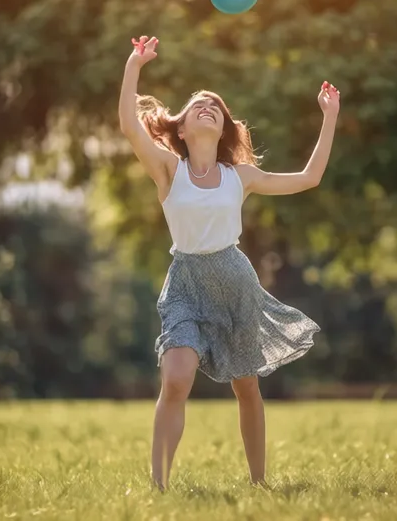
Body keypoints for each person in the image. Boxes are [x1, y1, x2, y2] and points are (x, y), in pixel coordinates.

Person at [118, 35, 340, 490]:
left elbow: (309, 178)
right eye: (197, 104)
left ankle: (259, 483)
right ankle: (159, 486)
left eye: (214, 107)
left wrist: (330, 116)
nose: (206, 106)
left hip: (235, 281)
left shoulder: (240, 176)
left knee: (247, 388)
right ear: (180, 129)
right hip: (185, 283)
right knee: (176, 379)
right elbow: (128, 124)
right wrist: (134, 65)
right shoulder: (167, 170)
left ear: (223, 130)